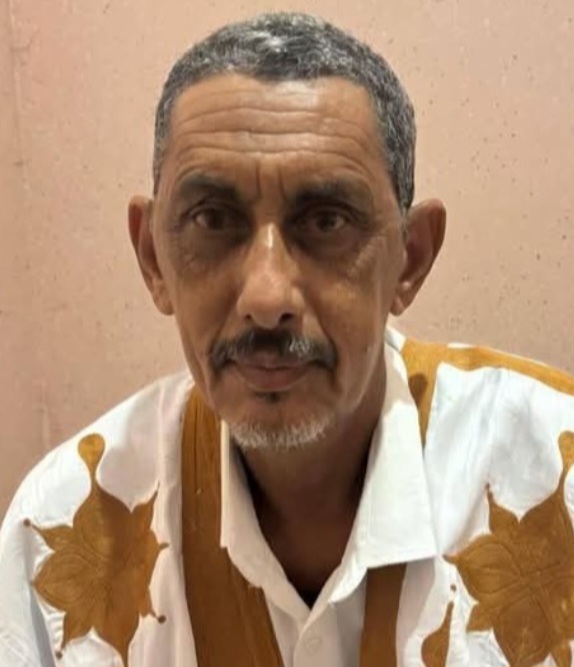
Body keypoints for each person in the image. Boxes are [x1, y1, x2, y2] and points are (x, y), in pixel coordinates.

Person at [1, 11, 573, 667]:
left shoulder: (555, 475)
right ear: (153, 258)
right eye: (212, 220)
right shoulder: (61, 526)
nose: (267, 297)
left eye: (326, 221)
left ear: (409, 259)